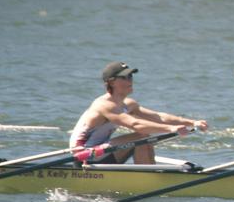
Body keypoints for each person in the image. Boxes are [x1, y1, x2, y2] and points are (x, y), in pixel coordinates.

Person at [70, 61, 207, 164]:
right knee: (142, 136)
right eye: (124, 77)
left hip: (102, 152)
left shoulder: (128, 103)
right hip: (83, 155)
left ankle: (151, 173)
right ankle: (149, 179)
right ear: (111, 82)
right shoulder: (104, 105)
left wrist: (192, 122)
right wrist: (171, 129)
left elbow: (158, 117)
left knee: (144, 137)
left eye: (130, 76)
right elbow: (136, 124)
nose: (130, 80)